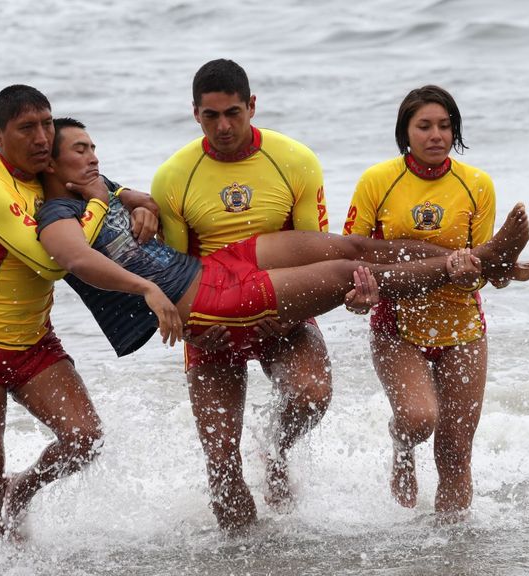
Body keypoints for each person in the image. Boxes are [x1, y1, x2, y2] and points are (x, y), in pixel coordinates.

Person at [35, 117, 529, 532]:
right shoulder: (58, 213)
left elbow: (145, 202)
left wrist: (133, 200)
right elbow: (77, 259)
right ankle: (246, 552)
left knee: (349, 248)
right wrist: (146, 287)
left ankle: (482, 260)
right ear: (53, 163)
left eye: (94, 146)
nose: (94, 157)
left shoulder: (97, 187)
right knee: (345, 278)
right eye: (81, 150)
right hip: (205, 303)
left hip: (214, 266)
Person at [0, 85, 156, 547]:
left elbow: (120, 189)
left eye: (46, 123)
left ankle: (23, 490)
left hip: (35, 345)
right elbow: (52, 263)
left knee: (85, 439)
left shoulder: (48, 172)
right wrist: (99, 203)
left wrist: (143, 205)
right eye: (26, 128)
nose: (42, 137)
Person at [148, 58, 338, 530]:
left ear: (252, 106)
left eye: (233, 112)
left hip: (281, 309)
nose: (223, 126)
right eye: (210, 116)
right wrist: (194, 329)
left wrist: (293, 315)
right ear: (195, 114)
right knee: (221, 464)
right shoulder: (174, 176)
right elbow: (175, 273)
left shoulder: (295, 159)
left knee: (312, 396)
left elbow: (316, 254)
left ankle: (275, 446)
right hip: (212, 323)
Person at [343, 85, 529, 521]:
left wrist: (501, 270)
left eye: (445, 126)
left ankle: (452, 547)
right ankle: (400, 445)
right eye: (425, 126)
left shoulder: (477, 184)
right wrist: (359, 299)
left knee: (455, 448)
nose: (436, 135)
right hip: (397, 322)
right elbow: (351, 255)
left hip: (462, 324)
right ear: (406, 132)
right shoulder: (377, 181)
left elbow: (482, 268)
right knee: (418, 420)